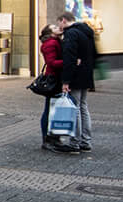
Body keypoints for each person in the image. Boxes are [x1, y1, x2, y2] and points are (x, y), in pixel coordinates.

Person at [55, 12, 96, 153]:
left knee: (76, 108)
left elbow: (69, 57)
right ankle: (86, 140)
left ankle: (75, 142)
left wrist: (66, 80)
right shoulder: (86, 31)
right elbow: (92, 55)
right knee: (83, 107)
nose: (59, 27)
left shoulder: (71, 34)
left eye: (59, 23)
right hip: (86, 74)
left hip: (76, 76)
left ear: (64, 20)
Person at [38, 25, 63, 148]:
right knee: (49, 109)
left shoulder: (56, 41)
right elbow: (51, 62)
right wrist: (69, 61)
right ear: (50, 32)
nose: (57, 27)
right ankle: (47, 138)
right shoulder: (50, 44)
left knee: (52, 108)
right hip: (53, 79)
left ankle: (52, 137)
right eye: (54, 27)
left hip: (56, 78)